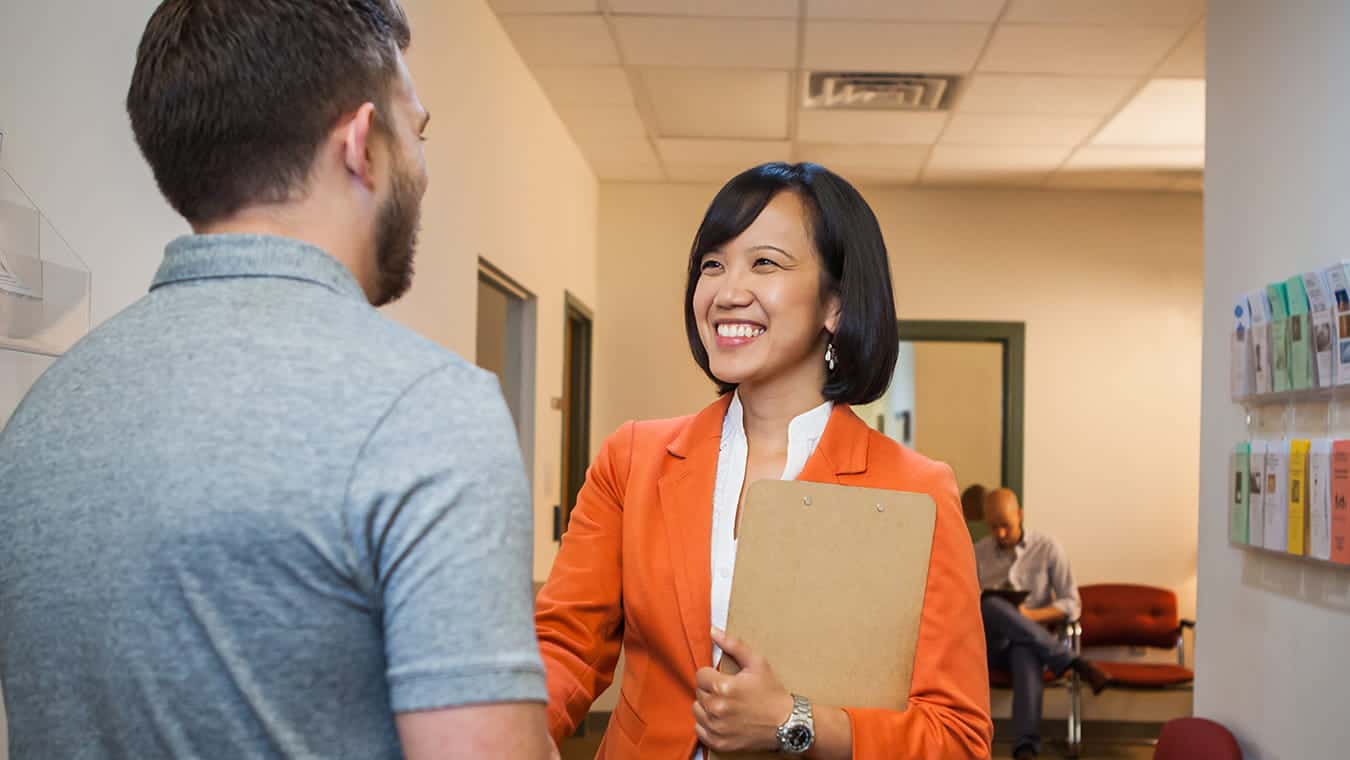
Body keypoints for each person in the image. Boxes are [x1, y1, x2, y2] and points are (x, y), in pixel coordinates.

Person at [0, 2, 551, 758]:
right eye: (416, 132)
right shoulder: (427, 410)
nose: (421, 167)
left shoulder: (40, 418)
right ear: (361, 144)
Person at [534, 163, 992, 760]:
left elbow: (957, 739)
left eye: (766, 263)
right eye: (712, 264)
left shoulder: (912, 491)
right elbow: (567, 645)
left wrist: (795, 723)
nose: (727, 291)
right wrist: (514, 731)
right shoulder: (634, 460)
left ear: (836, 303)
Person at [975, 488, 1111, 760]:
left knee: (1026, 651)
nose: (1000, 534)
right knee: (989, 604)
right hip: (989, 646)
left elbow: (1072, 603)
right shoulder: (977, 552)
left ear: (1020, 515)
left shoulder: (1047, 548)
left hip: (1029, 641)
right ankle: (1074, 662)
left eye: (1005, 526)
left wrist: (1030, 617)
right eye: (993, 527)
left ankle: (1025, 749)